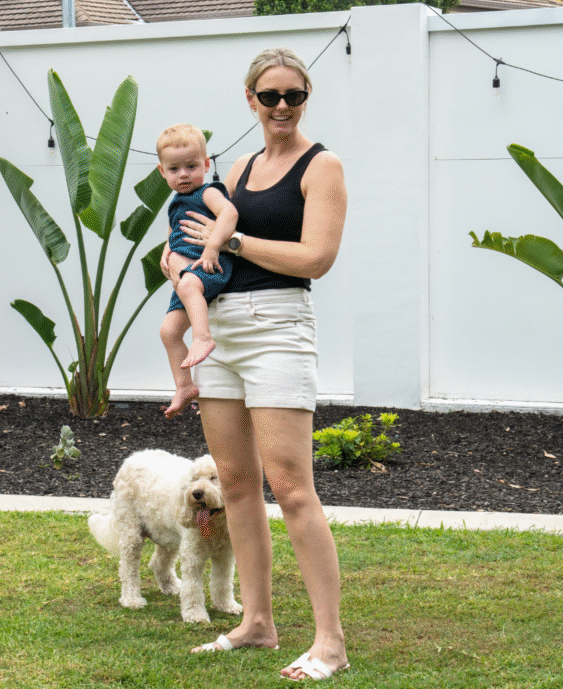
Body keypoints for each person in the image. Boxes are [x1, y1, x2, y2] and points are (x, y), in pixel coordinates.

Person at [174, 48, 350, 681]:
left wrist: (236, 240)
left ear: (306, 99)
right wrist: (180, 268)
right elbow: (192, 237)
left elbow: (316, 259)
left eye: (293, 96)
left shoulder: (320, 165)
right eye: (269, 96)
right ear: (250, 99)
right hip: (219, 330)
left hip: (278, 326)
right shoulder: (238, 168)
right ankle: (257, 623)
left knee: (291, 486)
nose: (282, 107)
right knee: (236, 480)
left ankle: (329, 641)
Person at [156, 124, 240, 419]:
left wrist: (213, 247)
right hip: (187, 278)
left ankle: (203, 337)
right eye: (174, 168)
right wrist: (167, 250)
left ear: (206, 165)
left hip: (210, 266)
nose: (183, 174)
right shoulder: (174, 204)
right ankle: (184, 385)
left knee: (190, 285)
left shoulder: (208, 192)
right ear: (162, 172)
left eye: (191, 166)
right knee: (168, 332)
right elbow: (173, 234)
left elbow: (229, 213)